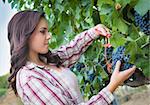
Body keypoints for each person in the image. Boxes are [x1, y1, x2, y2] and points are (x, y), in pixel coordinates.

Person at [7, 10, 136, 105]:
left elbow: (71, 50)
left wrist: (94, 32)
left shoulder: (46, 61)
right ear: (26, 35)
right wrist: (111, 86)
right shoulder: (29, 79)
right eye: (42, 31)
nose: (49, 36)